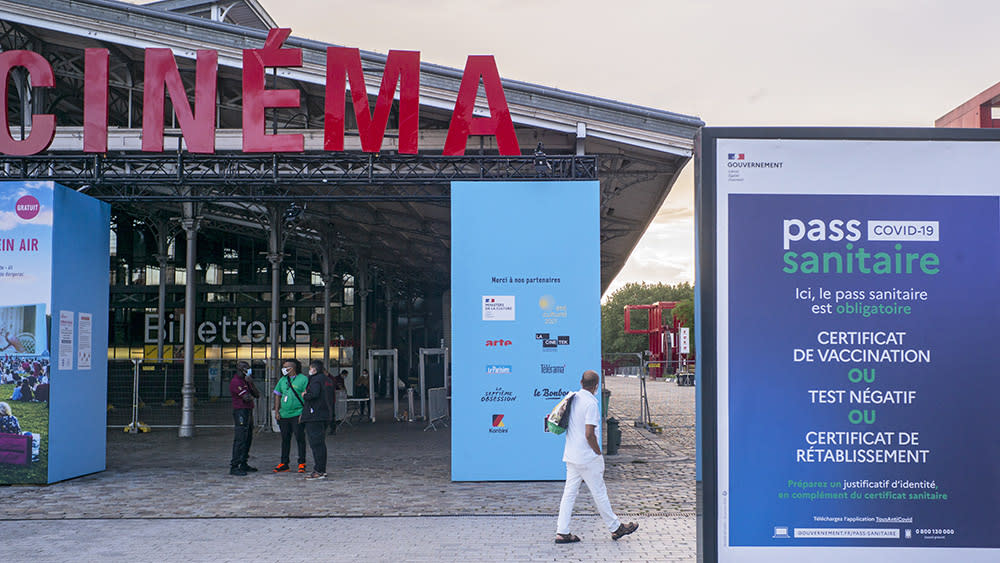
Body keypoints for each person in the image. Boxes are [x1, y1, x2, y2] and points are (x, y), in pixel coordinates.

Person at [554, 370, 638, 544]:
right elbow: (589, 434)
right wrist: (598, 452)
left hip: (571, 454)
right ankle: (615, 528)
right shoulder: (591, 404)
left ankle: (562, 531)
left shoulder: (573, 397)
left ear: (581, 382)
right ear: (596, 386)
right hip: (588, 457)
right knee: (599, 493)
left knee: (569, 493)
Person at [272, 358, 308, 473]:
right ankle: (284, 463)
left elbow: (307, 397)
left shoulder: (303, 379)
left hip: (297, 414)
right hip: (284, 415)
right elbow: (277, 395)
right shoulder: (282, 380)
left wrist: (304, 413)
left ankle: (302, 463)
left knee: (300, 438)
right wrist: (277, 411)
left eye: (286, 367)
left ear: (292, 368)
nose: (283, 369)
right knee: (285, 439)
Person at [300, 359, 330, 480]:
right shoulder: (327, 380)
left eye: (311, 368)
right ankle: (321, 469)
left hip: (314, 415)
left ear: (314, 369)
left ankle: (319, 470)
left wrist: (305, 395)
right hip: (324, 414)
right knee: (321, 443)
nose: (309, 371)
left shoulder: (316, 380)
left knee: (316, 443)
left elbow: (314, 394)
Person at [229, 361, 259, 476]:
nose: (248, 370)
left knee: (248, 437)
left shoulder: (246, 381)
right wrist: (249, 395)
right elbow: (246, 397)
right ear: (240, 369)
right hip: (240, 411)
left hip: (248, 410)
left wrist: (251, 384)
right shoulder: (236, 382)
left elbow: (257, 395)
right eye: (246, 368)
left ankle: (243, 462)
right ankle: (235, 465)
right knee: (240, 438)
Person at [328, 369, 347, 435]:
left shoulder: (334, 378)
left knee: (333, 412)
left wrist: (344, 391)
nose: (346, 376)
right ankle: (333, 425)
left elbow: (342, 386)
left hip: (333, 398)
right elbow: (339, 386)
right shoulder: (336, 378)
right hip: (334, 396)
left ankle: (333, 427)